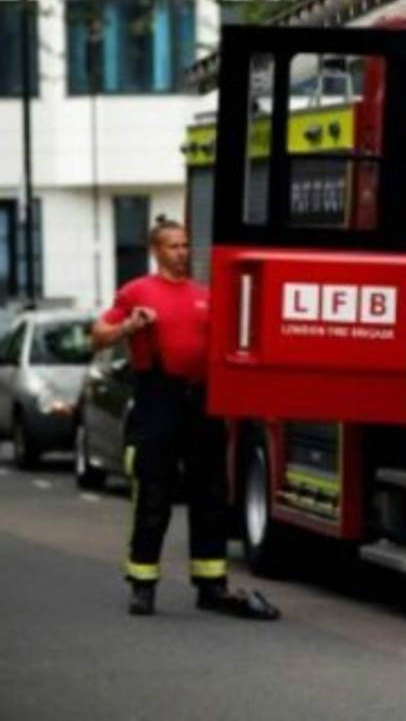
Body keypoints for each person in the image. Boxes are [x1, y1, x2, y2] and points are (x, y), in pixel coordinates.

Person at [91, 217, 278, 620]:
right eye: (173, 246)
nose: (182, 253)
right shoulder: (137, 291)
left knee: (210, 494)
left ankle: (211, 584)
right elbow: (98, 335)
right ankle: (142, 585)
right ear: (156, 251)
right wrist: (130, 325)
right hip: (158, 400)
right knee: (154, 495)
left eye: (185, 245)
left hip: (202, 403)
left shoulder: (204, 295)